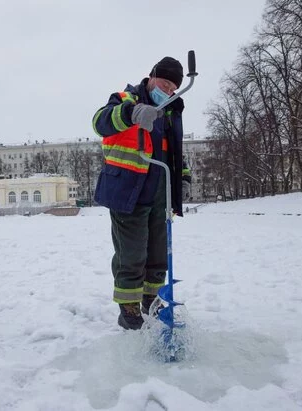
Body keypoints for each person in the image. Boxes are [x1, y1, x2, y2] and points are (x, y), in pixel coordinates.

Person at [92, 57, 186, 330]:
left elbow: (174, 148)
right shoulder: (125, 97)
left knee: (157, 255)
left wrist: (184, 174)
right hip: (127, 189)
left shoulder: (168, 109)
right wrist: (131, 113)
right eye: (164, 82)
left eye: (172, 87)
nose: (167, 90)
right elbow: (99, 122)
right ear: (152, 76)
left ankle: (151, 301)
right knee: (131, 255)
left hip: (159, 192)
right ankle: (129, 309)